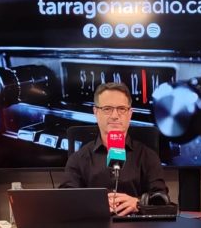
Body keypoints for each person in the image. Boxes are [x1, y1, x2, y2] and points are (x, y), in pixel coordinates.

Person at [59, 82, 168, 216]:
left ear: (130, 114)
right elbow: (65, 201)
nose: (115, 115)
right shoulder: (78, 159)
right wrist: (94, 204)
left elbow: (162, 200)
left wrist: (138, 203)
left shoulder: (147, 156)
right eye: (107, 109)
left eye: (121, 109)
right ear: (96, 112)